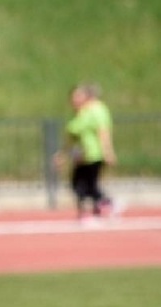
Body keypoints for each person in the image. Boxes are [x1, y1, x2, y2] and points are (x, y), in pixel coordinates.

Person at [54, 83, 118, 220]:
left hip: (94, 154)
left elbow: (103, 132)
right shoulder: (80, 113)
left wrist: (108, 152)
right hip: (82, 156)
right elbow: (72, 137)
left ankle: (105, 206)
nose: (74, 99)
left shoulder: (97, 110)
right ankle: (93, 211)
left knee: (88, 186)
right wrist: (62, 154)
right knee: (78, 185)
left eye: (78, 96)